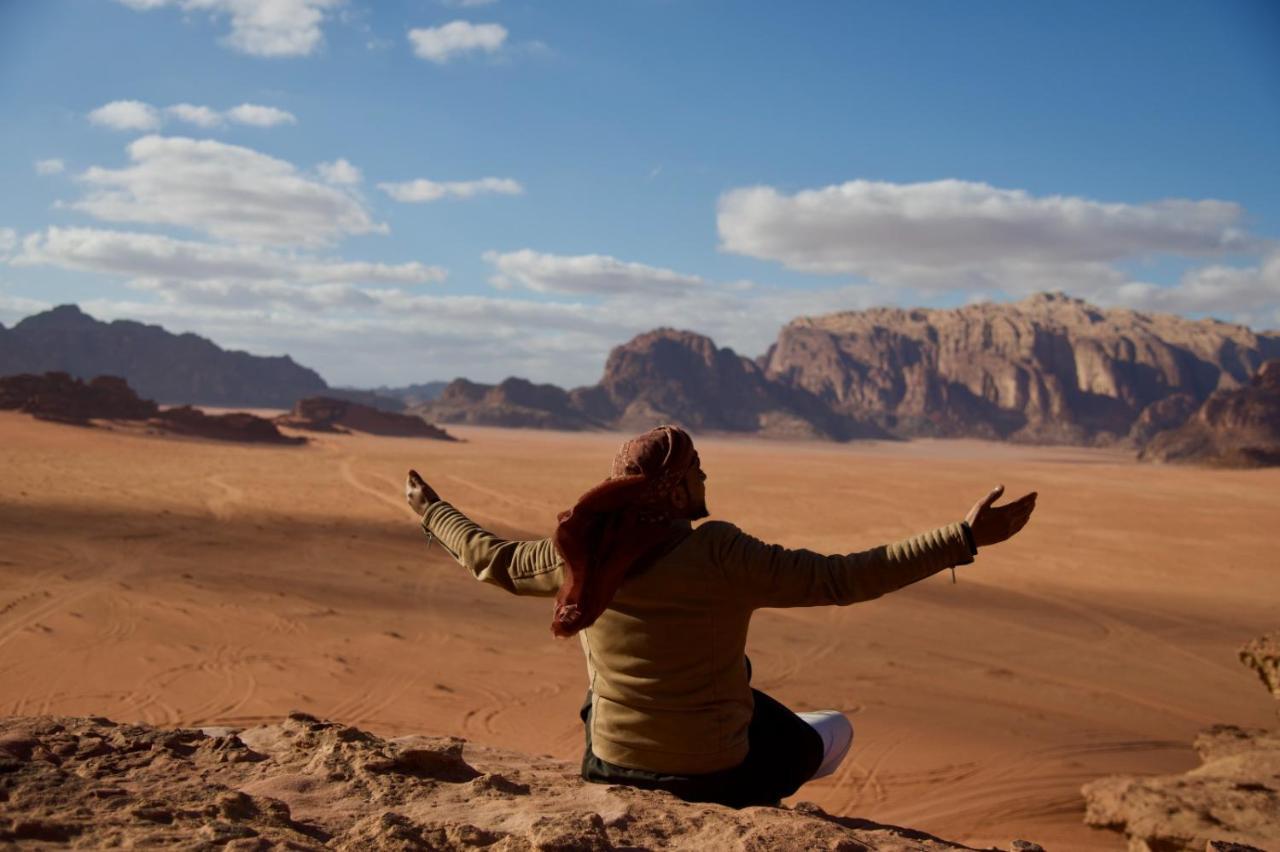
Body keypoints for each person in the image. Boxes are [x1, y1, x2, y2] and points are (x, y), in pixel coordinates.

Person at [404, 425, 1036, 808]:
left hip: (607, 763)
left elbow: (497, 559)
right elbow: (840, 577)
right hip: (708, 777)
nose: (706, 475)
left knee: (724, 701)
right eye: (696, 469)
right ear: (675, 490)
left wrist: (432, 509)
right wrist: (960, 538)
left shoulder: (580, 552)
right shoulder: (718, 552)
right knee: (831, 730)